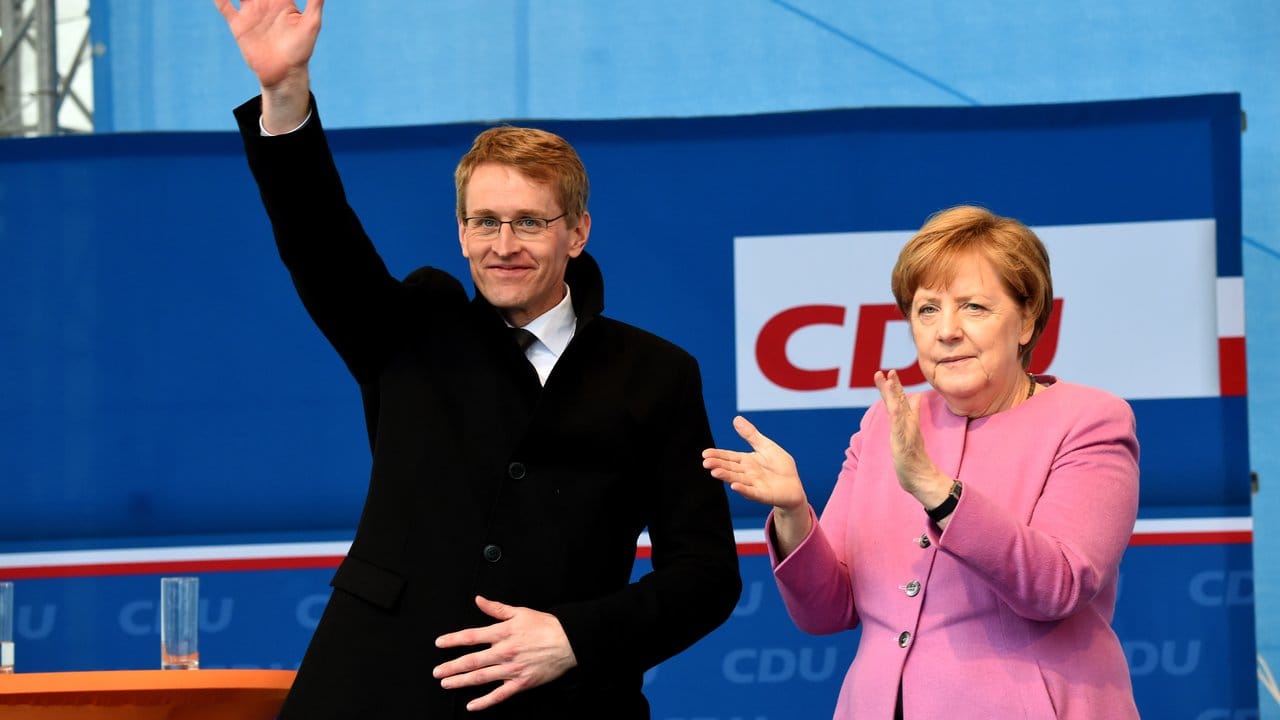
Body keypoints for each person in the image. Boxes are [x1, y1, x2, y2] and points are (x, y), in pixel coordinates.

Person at [212, 1, 741, 717]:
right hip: (379, 688)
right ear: (461, 233)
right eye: (485, 222)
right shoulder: (412, 329)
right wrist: (286, 94)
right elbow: (319, 239)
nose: (504, 244)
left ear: (576, 233)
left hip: (564, 699)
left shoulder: (657, 374)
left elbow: (706, 574)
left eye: (530, 222)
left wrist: (575, 637)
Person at [703, 205, 1140, 719]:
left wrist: (936, 489)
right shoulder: (885, 421)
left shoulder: (1091, 420)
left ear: (1026, 319)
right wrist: (796, 513)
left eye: (974, 307)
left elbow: (1056, 587)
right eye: (927, 309)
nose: (946, 330)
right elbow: (827, 611)